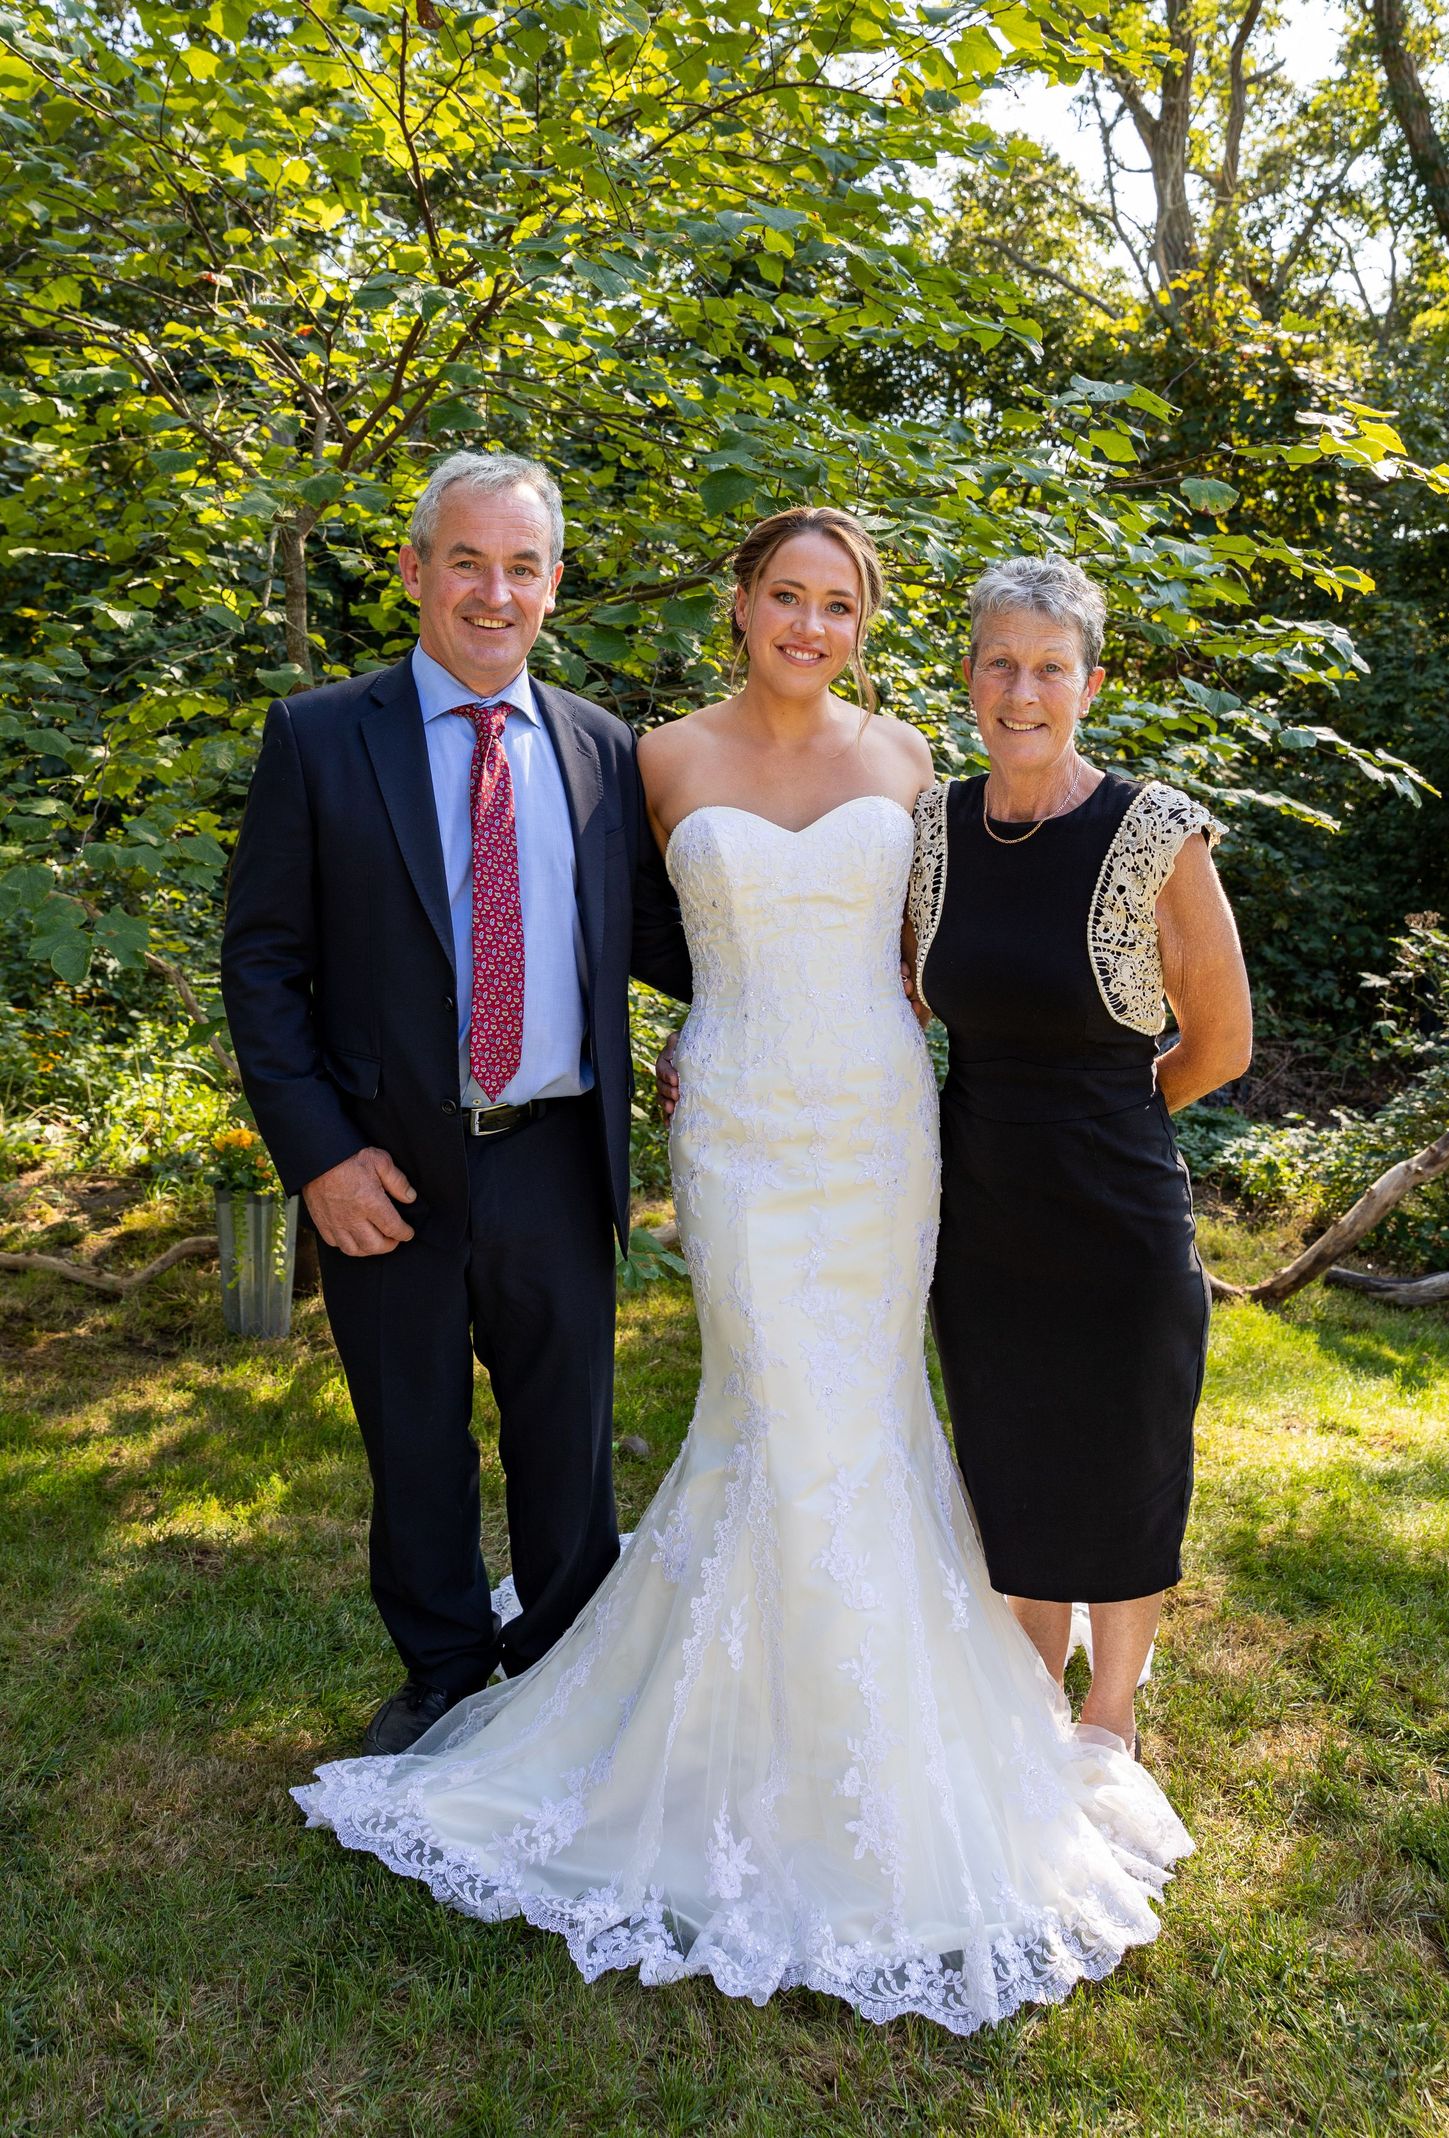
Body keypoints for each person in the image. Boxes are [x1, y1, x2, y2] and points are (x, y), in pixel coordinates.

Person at [291, 508, 1192, 2035]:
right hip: (743, 1137)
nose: (811, 624)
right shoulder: (651, 759)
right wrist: (677, 1060)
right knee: (773, 1420)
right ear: (745, 603)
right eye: (788, 595)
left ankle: (889, 1732)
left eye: (839, 604)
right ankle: (724, 1737)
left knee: (866, 1421)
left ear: (866, 625)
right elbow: (615, 929)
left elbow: (942, 954)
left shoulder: (914, 761)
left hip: (876, 1128)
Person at [221, 450, 691, 1755]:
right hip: (389, 1159)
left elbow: (681, 937)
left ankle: (565, 1664)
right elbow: (261, 961)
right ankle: (439, 1668)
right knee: (414, 1437)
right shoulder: (320, 737)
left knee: (566, 1440)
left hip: (553, 1152)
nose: (494, 591)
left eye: (522, 566)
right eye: (467, 561)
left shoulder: (607, 752)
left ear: (555, 585)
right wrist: (319, 1156)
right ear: (419, 570)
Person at [910, 554, 1253, 1756]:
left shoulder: (1154, 829)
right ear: (968, 676)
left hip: (1114, 1206)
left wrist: (1109, 1108)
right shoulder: (935, 822)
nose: (1022, 690)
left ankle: (1110, 1713)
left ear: (1089, 685)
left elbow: (1221, 1041)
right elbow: (916, 990)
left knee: (1124, 1453)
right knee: (1011, 1451)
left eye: (1050, 667)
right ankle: (1024, 1684)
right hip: (984, 1210)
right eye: (1000, 662)